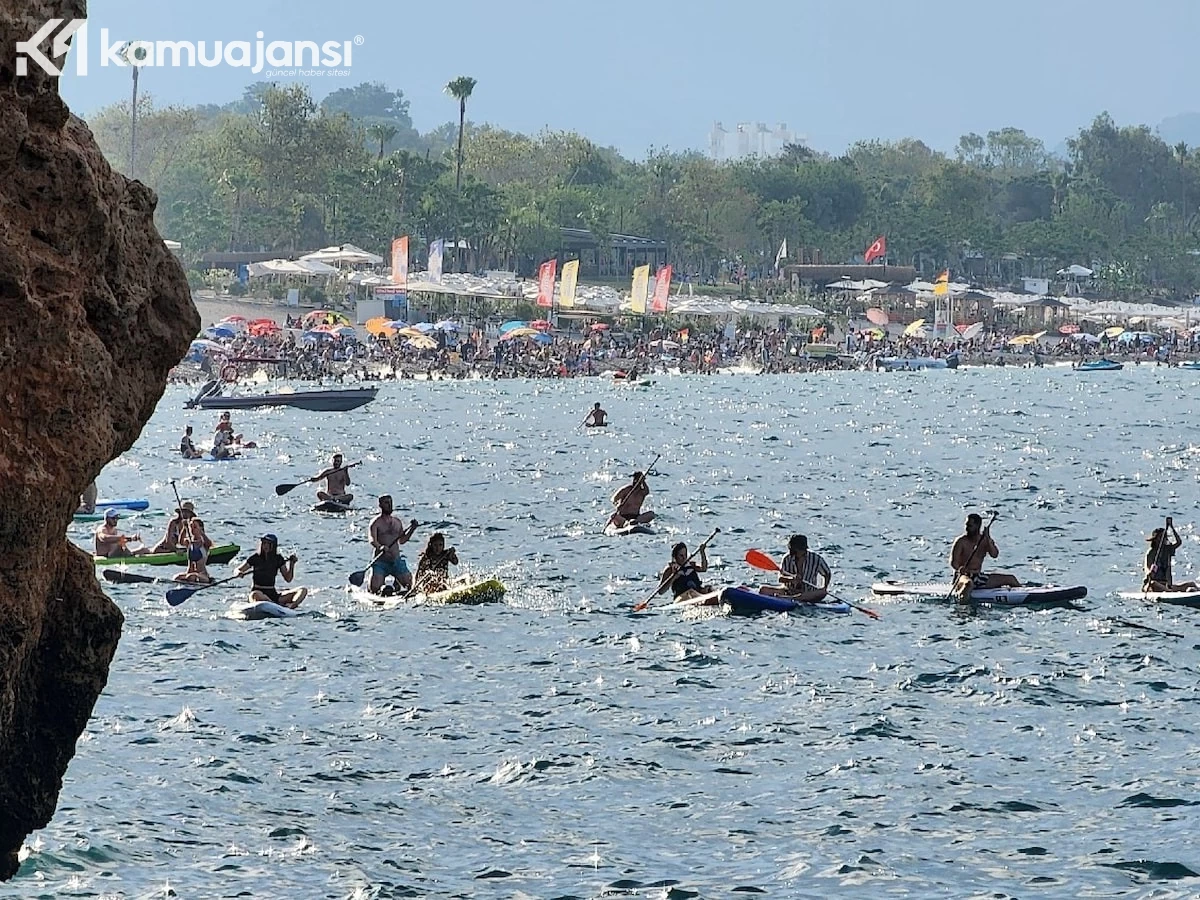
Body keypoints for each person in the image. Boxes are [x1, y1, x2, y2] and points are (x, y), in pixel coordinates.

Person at [950, 513, 1021, 599]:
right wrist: (961, 569)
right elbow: (954, 563)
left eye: (970, 526)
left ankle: (1023, 596)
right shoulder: (961, 541)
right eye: (966, 525)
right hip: (962, 577)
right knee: (968, 584)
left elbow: (994, 554)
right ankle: (963, 606)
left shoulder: (984, 540)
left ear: (977, 526)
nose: (967, 528)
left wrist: (987, 538)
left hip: (978, 577)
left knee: (1011, 579)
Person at [235, 534, 307, 608]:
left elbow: (288, 579)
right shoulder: (255, 558)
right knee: (255, 595)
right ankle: (274, 605)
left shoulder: (278, 559)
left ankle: (291, 606)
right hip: (258, 592)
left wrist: (292, 564)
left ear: (273, 546)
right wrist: (239, 573)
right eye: (264, 543)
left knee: (303, 590)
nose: (265, 545)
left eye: (268, 543)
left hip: (273, 594)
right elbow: (238, 569)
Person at [368, 495, 419, 595]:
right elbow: (372, 539)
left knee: (410, 585)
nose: (389, 505)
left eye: (390, 502)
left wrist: (412, 529)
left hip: (396, 561)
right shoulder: (375, 523)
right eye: (386, 503)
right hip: (380, 562)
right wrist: (380, 547)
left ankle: (397, 583)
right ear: (380, 505)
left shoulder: (397, 522)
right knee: (374, 589)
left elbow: (402, 540)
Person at [760, 534, 832, 602]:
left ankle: (793, 598)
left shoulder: (816, 559)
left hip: (808, 593)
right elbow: (780, 579)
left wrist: (824, 586)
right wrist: (791, 580)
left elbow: (827, 573)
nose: (791, 552)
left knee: (822, 592)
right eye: (790, 549)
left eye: (794, 550)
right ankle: (789, 597)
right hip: (788, 591)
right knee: (763, 590)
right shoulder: (787, 558)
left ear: (803, 550)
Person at [1144, 518, 1199, 592]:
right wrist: (1150, 572)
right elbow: (1147, 568)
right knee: (1153, 583)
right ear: (1155, 539)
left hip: (1166, 585)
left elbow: (1178, 542)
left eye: (1163, 537)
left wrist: (1171, 527)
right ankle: (1170, 592)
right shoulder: (1150, 552)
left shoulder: (1167, 549)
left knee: (1191, 584)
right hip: (1154, 585)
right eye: (1160, 538)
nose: (1162, 540)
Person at [173, 514, 214, 584]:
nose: (192, 529)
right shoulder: (189, 542)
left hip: (202, 575)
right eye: (191, 527)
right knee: (176, 577)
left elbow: (209, 543)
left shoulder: (204, 544)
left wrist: (201, 532)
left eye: (194, 527)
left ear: (200, 528)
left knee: (192, 577)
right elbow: (181, 541)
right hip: (189, 573)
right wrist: (185, 528)